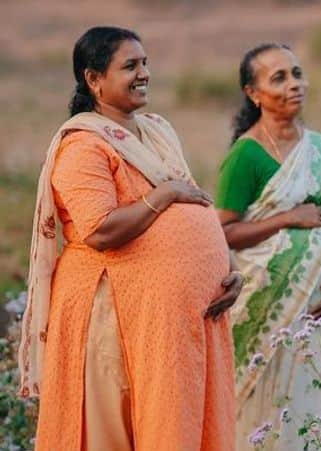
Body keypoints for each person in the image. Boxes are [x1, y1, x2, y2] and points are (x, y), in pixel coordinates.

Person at [19, 26, 242, 450]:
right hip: (113, 313)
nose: (144, 74)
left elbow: (195, 202)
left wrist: (227, 267)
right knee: (118, 431)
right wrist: (164, 195)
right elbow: (100, 230)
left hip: (177, 317)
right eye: (130, 66)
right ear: (94, 79)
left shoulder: (156, 131)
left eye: (145, 64)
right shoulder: (83, 145)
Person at [216, 43, 321, 450]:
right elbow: (222, 231)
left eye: (296, 73)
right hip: (268, 315)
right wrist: (288, 218)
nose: (294, 84)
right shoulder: (246, 155)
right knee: (272, 418)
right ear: (253, 93)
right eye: (279, 77)